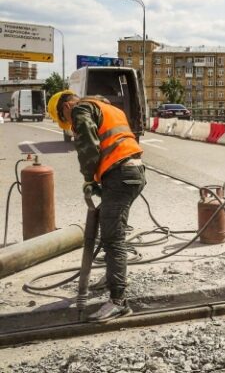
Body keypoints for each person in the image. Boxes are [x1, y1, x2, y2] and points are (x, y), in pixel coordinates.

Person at [47, 90, 145, 322]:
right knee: (111, 230)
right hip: (132, 171)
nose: (69, 123)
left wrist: (89, 178)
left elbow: (88, 146)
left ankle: (118, 301)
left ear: (67, 107)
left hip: (121, 175)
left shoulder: (81, 109)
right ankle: (113, 277)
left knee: (113, 238)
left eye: (65, 119)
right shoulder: (108, 108)